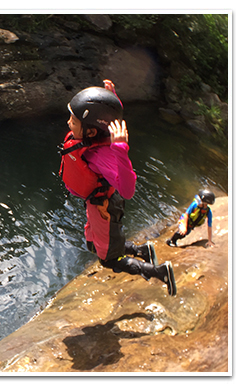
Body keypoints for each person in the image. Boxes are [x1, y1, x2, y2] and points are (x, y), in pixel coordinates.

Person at [59, 79, 177, 296]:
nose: (68, 123)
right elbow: (113, 121)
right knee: (93, 244)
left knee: (109, 260)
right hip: (95, 204)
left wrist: (121, 151)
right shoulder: (93, 142)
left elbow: (128, 190)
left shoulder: (100, 155)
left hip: (105, 207)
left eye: (73, 122)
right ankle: (142, 250)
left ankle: (160, 272)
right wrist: (111, 99)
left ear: (92, 132)